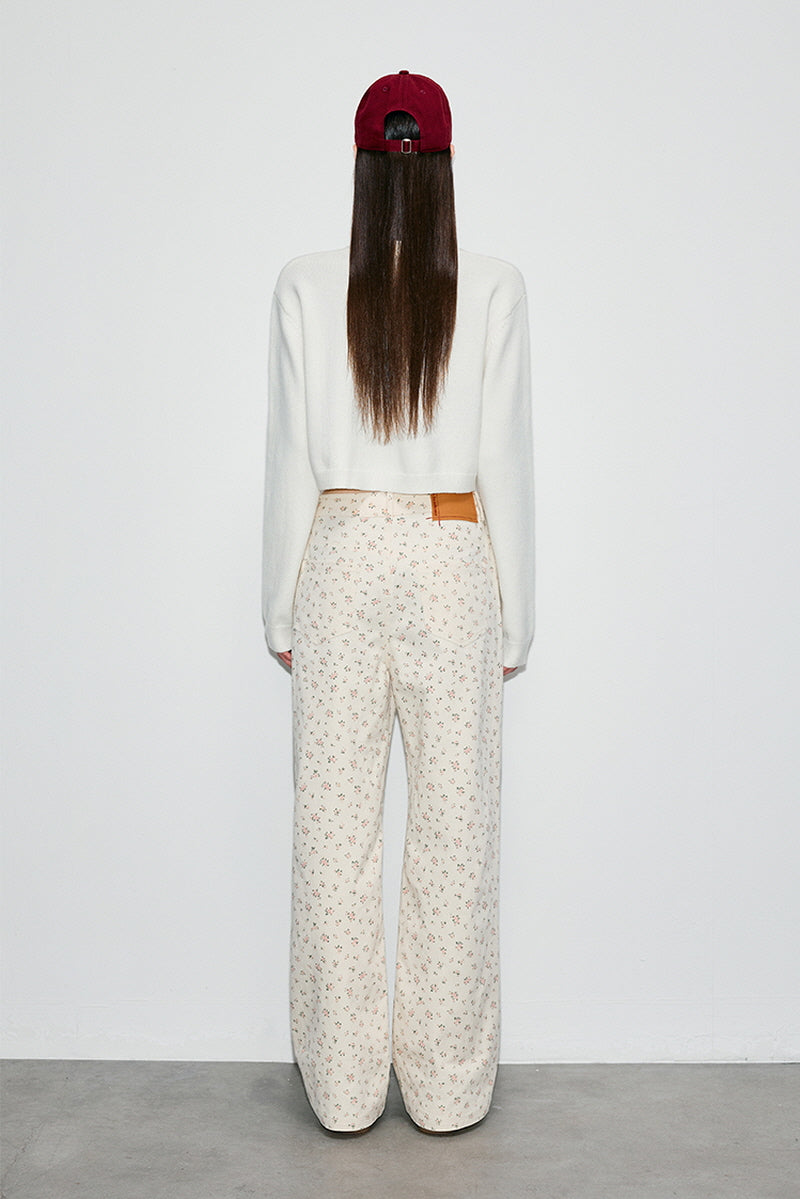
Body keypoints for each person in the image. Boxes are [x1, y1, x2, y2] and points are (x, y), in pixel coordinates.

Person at [261, 69, 535, 1135]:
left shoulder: (303, 282)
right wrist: (517, 615)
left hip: (338, 553)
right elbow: (504, 459)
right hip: (451, 550)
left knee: (333, 830)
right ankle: (447, 1086)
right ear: (444, 163)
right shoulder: (495, 286)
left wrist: (280, 609)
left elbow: (291, 459)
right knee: (455, 831)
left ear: (361, 162)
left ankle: (341, 1087)